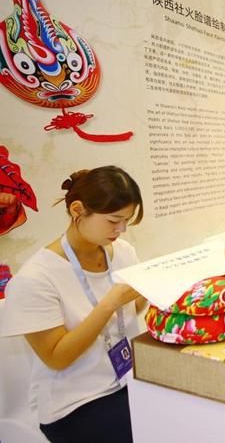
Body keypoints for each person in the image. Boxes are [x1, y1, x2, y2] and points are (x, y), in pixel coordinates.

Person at [0, 166, 145, 443]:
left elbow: (131, 311)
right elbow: (57, 358)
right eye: (114, 220)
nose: (122, 230)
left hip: (128, 379)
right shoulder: (35, 278)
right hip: (76, 402)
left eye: (126, 220)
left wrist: (152, 289)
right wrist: (107, 305)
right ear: (78, 210)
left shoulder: (123, 252)